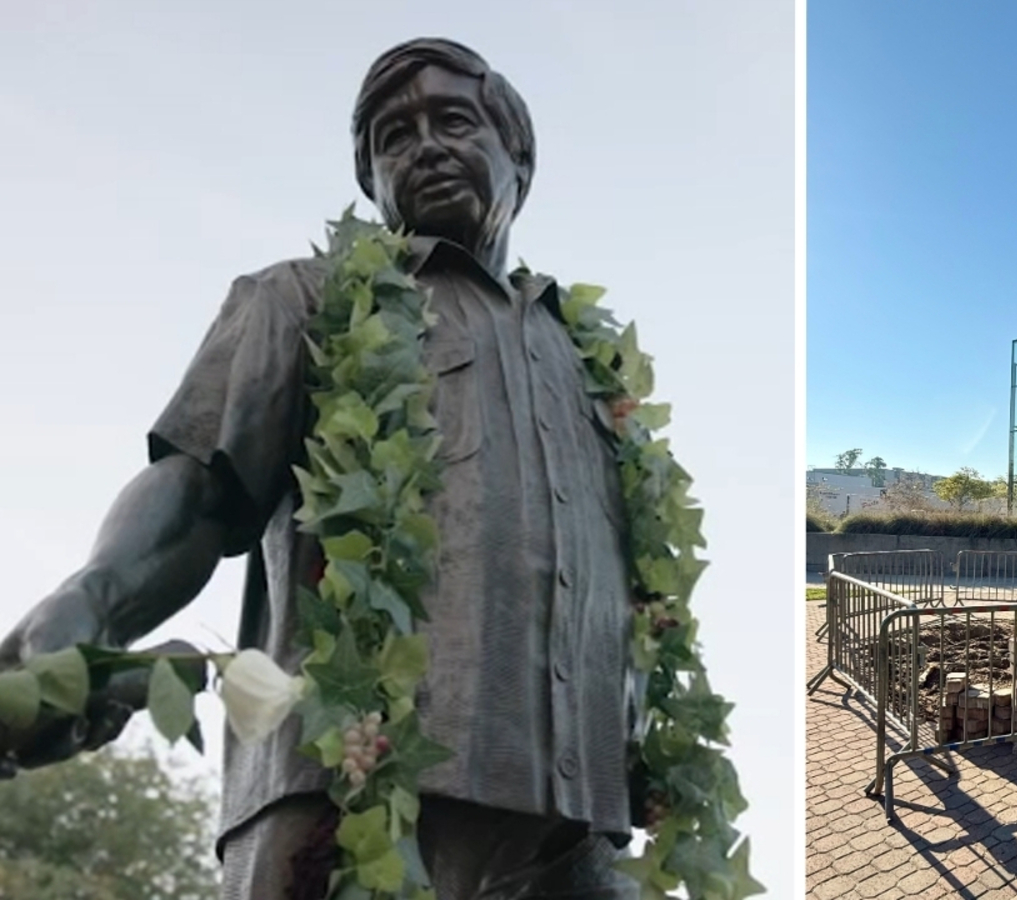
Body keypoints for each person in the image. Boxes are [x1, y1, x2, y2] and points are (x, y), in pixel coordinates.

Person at [0, 38, 639, 899]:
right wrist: (93, 602)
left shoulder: (593, 370)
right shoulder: (306, 297)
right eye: (393, 138)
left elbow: (638, 598)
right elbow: (197, 490)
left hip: (574, 831)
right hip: (343, 797)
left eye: (454, 121)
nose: (425, 147)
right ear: (371, 179)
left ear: (518, 156)